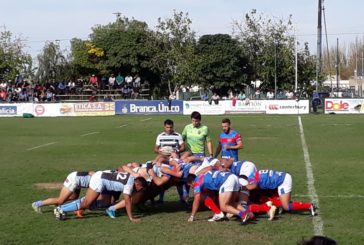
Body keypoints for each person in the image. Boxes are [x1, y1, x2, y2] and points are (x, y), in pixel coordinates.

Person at [54, 170, 147, 222]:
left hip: (100, 176)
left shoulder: (131, 177)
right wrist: (131, 218)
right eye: (141, 188)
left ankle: (61, 208)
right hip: (99, 181)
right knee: (86, 204)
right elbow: (127, 201)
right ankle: (61, 209)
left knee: (87, 202)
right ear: (138, 184)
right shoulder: (129, 185)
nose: (141, 190)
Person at [243, 169, 316, 219]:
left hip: (283, 181)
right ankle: (277, 204)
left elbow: (253, 186)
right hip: (280, 178)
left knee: (286, 206)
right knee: (262, 194)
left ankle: (309, 206)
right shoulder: (252, 174)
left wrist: (243, 188)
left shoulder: (251, 180)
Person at [186, 170, 252, 223]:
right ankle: (248, 213)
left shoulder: (197, 182)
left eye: (190, 185)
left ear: (192, 182)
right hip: (233, 177)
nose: (191, 188)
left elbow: (196, 200)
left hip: (226, 181)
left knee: (223, 207)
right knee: (231, 203)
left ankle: (243, 214)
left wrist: (192, 216)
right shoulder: (203, 175)